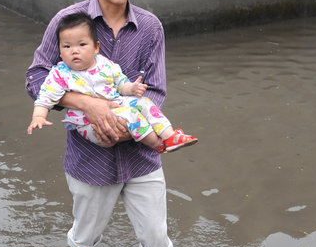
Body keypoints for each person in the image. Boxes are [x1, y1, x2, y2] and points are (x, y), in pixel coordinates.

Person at [25, 0, 178, 247]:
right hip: (89, 159)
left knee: (157, 235)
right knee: (86, 236)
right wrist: (88, 105)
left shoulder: (151, 27)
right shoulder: (67, 22)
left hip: (141, 154)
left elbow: (154, 90)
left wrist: (128, 130)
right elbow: (36, 79)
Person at [28, 11, 197, 154]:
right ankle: (157, 144)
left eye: (82, 44)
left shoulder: (105, 64)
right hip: (87, 123)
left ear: (96, 47)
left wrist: (132, 88)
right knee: (131, 114)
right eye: (67, 47)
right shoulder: (60, 73)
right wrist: (38, 116)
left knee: (144, 102)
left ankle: (170, 135)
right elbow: (45, 97)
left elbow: (121, 84)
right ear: (59, 50)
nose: (75, 51)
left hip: (115, 105)